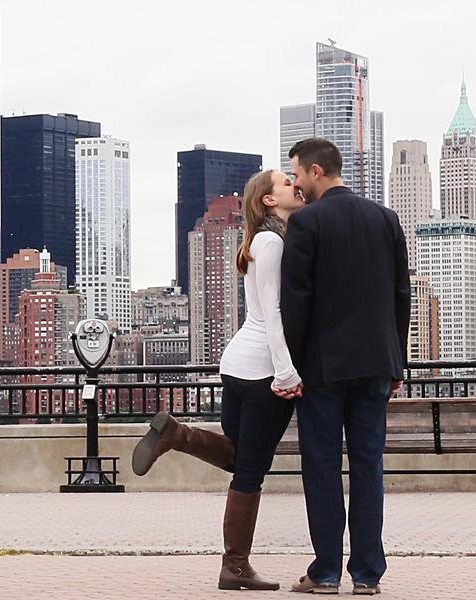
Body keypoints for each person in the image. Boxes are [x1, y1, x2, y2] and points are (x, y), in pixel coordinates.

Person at [131, 169, 305, 591]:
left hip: (238, 365)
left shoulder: (264, 239)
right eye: (286, 183)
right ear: (267, 200)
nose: (294, 185)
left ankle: (177, 434)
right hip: (263, 370)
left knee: (239, 456)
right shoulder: (270, 242)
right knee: (250, 472)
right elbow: (274, 313)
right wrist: (286, 371)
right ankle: (236, 566)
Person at [279, 138, 410, 595]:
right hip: (376, 363)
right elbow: (400, 297)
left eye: (296, 173)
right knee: (368, 467)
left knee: (321, 467)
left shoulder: (307, 223)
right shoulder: (386, 219)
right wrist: (398, 361)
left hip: (323, 369)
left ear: (316, 171)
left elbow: (295, 302)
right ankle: (368, 574)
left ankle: (327, 572)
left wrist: (291, 368)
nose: (294, 183)